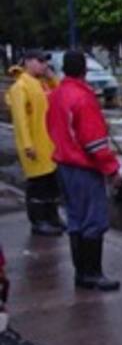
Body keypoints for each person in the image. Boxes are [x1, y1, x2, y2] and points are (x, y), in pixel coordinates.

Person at [46, 50, 121, 292]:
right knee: (93, 221)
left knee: (75, 219)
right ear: (84, 70)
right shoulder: (83, 98)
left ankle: (81, 273)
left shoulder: (56, 95)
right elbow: (94, 142)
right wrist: (112, 170)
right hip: (83, 168)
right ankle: (93, 274)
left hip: (64, 165)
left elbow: (51, 127)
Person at [4, 50, 64, 236]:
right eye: (40, 61)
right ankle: (38, 221)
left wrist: (51, 77)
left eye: (45, 61)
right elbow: (20, 121)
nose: (44, 65)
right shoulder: (20, 87)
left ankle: (52, 217)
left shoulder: (42, 83)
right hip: (35, 146)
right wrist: (27, 145)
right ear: (28, 62)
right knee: (38, 186)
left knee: (51, 185)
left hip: (49, 145)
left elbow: (61, 93)